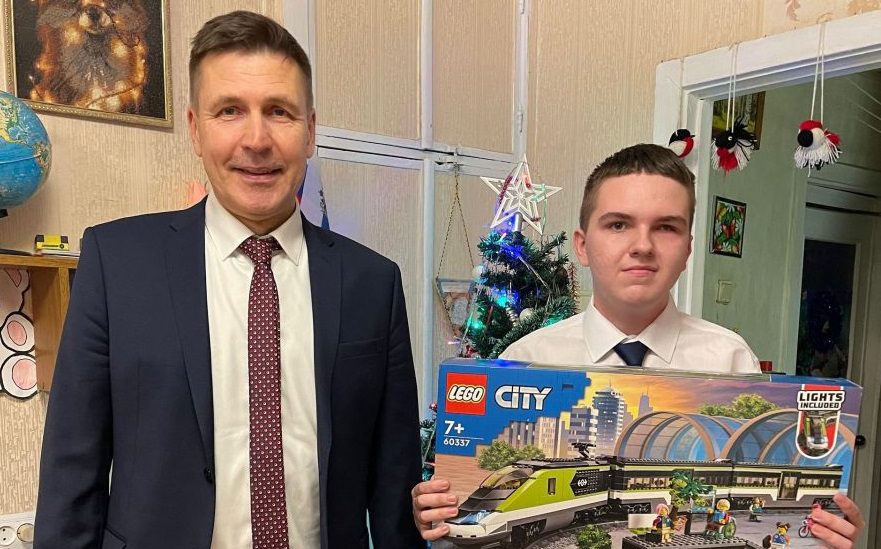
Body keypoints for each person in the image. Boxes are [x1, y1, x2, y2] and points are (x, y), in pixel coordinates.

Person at [34, 11, 422, 549]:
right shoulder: (117, 263)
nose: (256, 139)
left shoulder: (373, 283)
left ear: (310, 131)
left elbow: (395, 484)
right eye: (230, 111)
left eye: (279, 112)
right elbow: (71, 475)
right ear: (196, 129)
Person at [412, 144, 865, 547]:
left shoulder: (730, 359)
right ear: (582, 246)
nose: (642, 246)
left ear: (688, 249)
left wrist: (824, 537)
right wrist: (435, 511)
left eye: (665, 227)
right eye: (618, 224)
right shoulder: (525, 359)